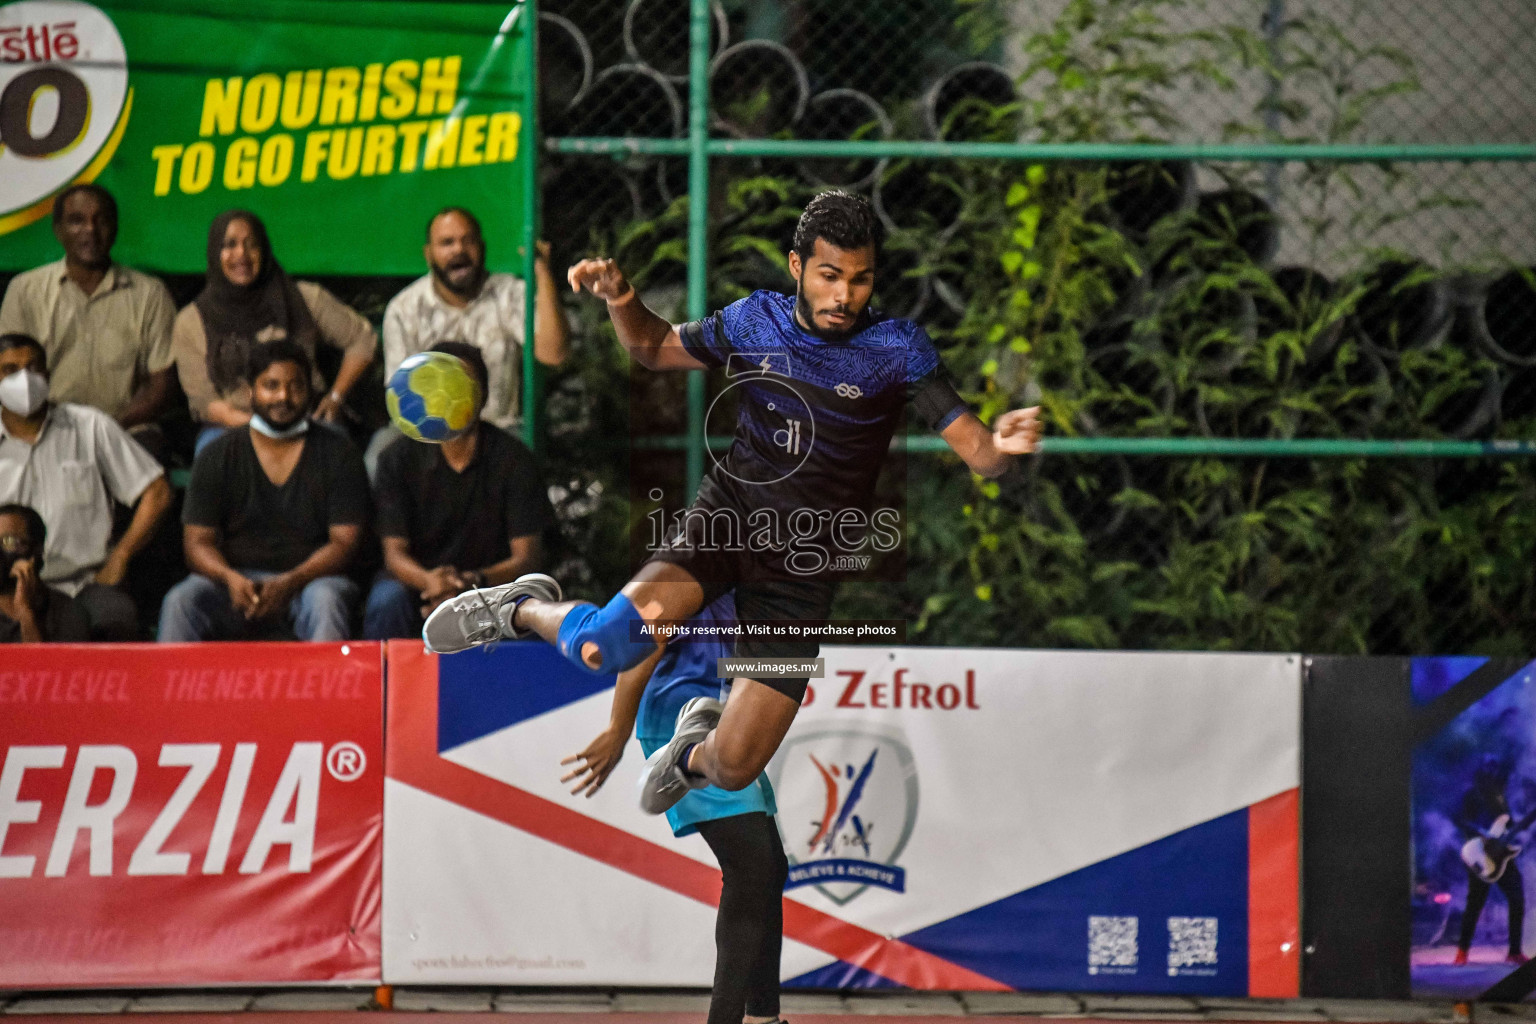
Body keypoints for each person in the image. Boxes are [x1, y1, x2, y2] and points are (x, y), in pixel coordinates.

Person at [423, 190, 1043, 815]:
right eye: (829, 276)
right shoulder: (757, 320)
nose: (843, 296)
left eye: (860, 280)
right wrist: (622, 299)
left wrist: (1007, 451)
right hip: (727, 525)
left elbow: (981, 454)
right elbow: (653, 348)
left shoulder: (897, 347)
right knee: (604, 645)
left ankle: (687, 754)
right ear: (797, 267)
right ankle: (522, 607)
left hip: (803, 572)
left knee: (735, 765)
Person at [562, 591, 786, 1024]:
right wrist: (617, 728)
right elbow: (648, 638)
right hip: (681, 722)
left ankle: (764, 1017)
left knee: (768, 867)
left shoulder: (772, 560)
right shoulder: (706, 549)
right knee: (753, 868)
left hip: (727, 721)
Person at [158, 340, 369, 642]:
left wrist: (292, 580)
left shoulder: (339, 453)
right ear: (249, 392)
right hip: (235, 584)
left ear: (310, 391)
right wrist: (228, 577)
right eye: (271, 385)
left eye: (296, 387)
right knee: (182, 600)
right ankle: (171, 690)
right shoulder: (218, 454)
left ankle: (332, 690)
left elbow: (344, 543)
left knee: (327, 599)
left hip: (311, 582)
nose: (284, 396)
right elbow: (197, 543)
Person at [363, 341, 556, 640]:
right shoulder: (395, 459)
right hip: (419, 585)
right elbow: (394, 554)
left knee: (530, 603)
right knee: (386, 601)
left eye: (463, 384)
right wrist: (431, 581)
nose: (451, 393)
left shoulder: (514, 459)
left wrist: (472, 583)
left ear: (483, 395)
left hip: (489, 585)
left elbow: (527, 557)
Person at [0, 333, 173, 640]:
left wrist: (120, 556)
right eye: (10, 371)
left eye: (33, 368)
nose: (24, 380)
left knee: (116, 618)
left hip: (82, 585)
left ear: (48, 375)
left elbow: (156, 491)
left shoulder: (90, 426)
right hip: (4, 589)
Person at [371, 207, 570, 470]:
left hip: (498, 430)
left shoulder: (508, 293)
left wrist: (542, 273)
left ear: (482, 247)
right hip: (428, 436)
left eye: (468, 240)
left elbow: (553, 353)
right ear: (428, 254)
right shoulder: (405, 308)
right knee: (379, 455)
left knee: (522, 459)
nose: (459, 250)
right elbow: (400, 393)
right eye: (447, 242)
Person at [172, 210, 377, 455]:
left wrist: (335, 397)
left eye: (252, 245)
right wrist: (268, 430)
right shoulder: (191, 322)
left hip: (308, 419)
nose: (242, 255)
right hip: (234, 426)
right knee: (211, 457)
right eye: (230, 245)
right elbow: (206, 402)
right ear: (215, 253)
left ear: (265, 250)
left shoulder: (304, 298)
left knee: (336, 455)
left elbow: (363, 339)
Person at [0, 184, 178, 443]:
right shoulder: (25, 291)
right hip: (43, 427)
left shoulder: (150, 293)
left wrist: (105, 429)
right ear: (58, 230)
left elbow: (162, 385)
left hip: (126, 430)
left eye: (101, 220)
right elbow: (8, 375)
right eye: (76, 221)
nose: (90, 231)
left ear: (115, 228)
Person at [1453, 755, 1531, 965]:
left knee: (1517, 899)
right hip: (1480, 853)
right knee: (1475, 903)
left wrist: (1520, 833)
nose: (1494, 772)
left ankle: (1514, 951)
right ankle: (1462, 951)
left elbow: (1508, 824)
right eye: (1490, 768)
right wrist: (1482, 835)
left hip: (1502, 855)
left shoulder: (1500, 795)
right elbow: (1461, 820)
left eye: (1496, 768)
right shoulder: (1472, 795)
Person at [0, 503, 91, 644]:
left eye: (9, 541)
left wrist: (25, 614)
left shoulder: (66, 611)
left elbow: (44, 665)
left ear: (36, 551)